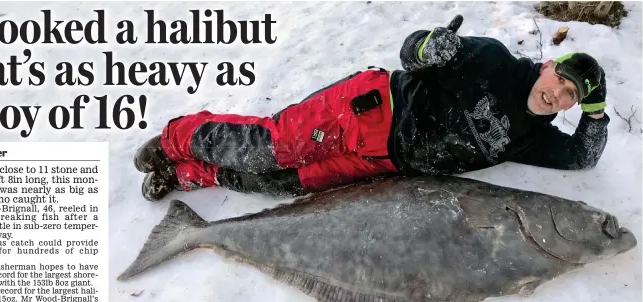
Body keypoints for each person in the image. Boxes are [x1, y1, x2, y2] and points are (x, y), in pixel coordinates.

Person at [133, 14, 609, 201]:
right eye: (560, 80)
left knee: (279, 183)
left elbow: (581, 157)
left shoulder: (535, 136)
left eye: (571, 96)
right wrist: (428, 48)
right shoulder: (493, 61)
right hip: (369, 108)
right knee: (275, 148)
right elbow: (412, 52)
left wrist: (598, 110)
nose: (558, 95)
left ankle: (189, 174)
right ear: (547, 66)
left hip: (380, 161)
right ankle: (178, 139)